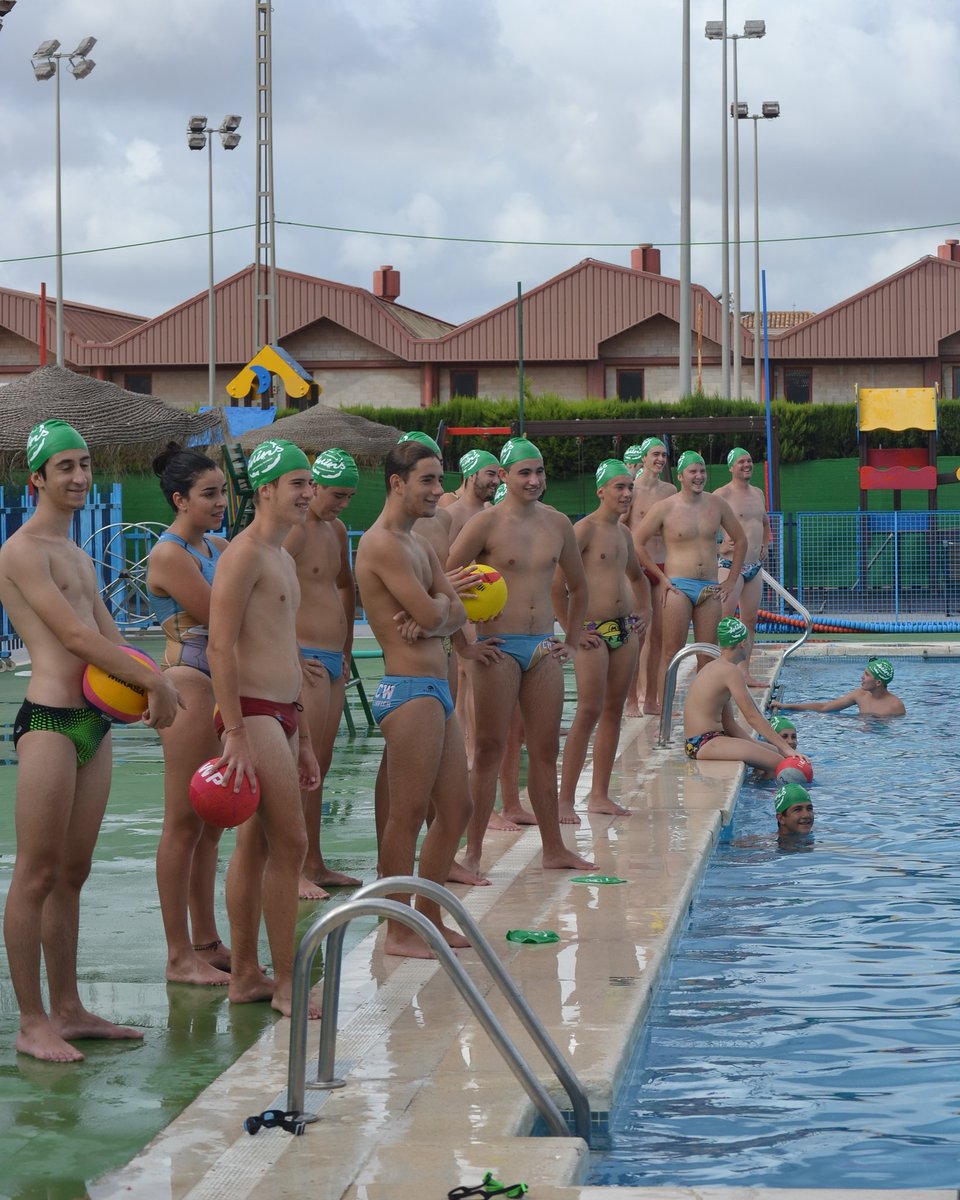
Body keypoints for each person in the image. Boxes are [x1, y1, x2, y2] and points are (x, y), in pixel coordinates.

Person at [0, 420, 181, 1062]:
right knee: (36, 873)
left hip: (94, 724)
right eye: (66, 468)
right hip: (50, 721)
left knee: (73, 874)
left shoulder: (79, 556)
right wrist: (158, 684)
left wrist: (154, 670)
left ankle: (69, 1008)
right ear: (38, 479)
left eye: (85, 466)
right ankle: (31, 1021)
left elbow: (111, 638)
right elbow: (76, 642)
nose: (79, 478)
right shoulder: (23, 551)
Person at [206, 438, 322, 1017]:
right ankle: (286, 984)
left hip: (280, 712)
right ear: (267, 490)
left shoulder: (283, 557)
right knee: (292, 842)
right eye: (297, 484)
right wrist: (233, 731)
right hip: (249, 712)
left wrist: (299, 735)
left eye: (310, 483)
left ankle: (247, 975)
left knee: (254, 847)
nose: (308, 493)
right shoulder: (243, 554)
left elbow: (286, 648)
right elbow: (220, 645)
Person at [447, 436, 595, 876]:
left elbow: (579, 585)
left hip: (542, 648)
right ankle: (472, 852)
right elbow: (444, 580)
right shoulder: (485, 525)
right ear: (505, 477)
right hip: (498, 648)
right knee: (490, 749)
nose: (533, 480)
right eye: (524, 472)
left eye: (539, 472)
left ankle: (554, 849)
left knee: (545, 750)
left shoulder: (558, 524)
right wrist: (464, 643)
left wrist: (570, 638)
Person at [354, 440, 475, 956]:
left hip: (435, 689)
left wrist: (438, 611)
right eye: (427, 480)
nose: (437, 490)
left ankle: (426, 918)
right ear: (397, 483)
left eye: (439, 479)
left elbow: (453, 613)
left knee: (457, 808)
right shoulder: (381, 544)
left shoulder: (420, 543)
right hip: (407, 691)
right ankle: (396, 928)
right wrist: (437, 612)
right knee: (405, 815)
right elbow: (434, 615)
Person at [146, 445, 232, 985]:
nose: (221, 502)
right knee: (182, 822)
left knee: (211, 824)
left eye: (223, 491)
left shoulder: (219, 545)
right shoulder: (170, 555)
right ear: (180, 499)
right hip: (189, 684)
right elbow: (221, 614)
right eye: (209, 494)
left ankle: (206, 939)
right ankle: (179, 955)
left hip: (219, 682)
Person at [283, 448, 363, 900]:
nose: (342, 505)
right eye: (337, 495)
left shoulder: (334, 530)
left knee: (320, 767)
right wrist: (290, 652)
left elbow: (344, 584)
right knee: (299, 767)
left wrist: (348, 645)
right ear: (313, 486)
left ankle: (314, 860)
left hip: (333, 658)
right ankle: (291, 867)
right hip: (306, 659)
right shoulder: (292, 533)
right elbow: (265, 593)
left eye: (349, 497)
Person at [556, 460, 648, 823]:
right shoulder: (584, 531)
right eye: (619, 488)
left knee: (613, 713)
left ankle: (599, 795)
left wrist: (647, 612)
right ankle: (565, 800)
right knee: (588, 711)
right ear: (601, 491)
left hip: (624, 630)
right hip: (592, 632)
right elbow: (555, 584)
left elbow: (639, 578)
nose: (626, 494)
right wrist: (572, 630)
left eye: (629, 488)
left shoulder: (624, 534)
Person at [631, 449, 747, 707]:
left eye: (702, 471)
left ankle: (703, 711)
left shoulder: (716, 504)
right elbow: (637, 542)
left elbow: (740, 540)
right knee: (672, 653)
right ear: (681, 476)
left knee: (707, 655)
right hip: (678, 587)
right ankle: (665, 713)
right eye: (693, 471)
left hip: (709, 588)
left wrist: (730, 580)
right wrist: (660, 576)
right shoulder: (665, 507)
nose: (699, 476)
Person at [682, 617, 803, 773]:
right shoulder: (731, 672)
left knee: (776, 754)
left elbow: (730, 725)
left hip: (699, 742)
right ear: (743, 643)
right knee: (782, 764)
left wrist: (756, 745)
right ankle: (768, 793)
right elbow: (752, 717)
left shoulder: (714, 668)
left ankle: (760, 783)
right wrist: (787, 749)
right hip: (705, 742)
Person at [622, 437, 676, 715]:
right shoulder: (631, 490)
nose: (660, 459)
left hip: (664, 565)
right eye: (655, 454)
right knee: (637, 636)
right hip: (638, 570)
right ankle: (632, 700)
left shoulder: (670, 490)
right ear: (643, 458)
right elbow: (618, 525)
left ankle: (653, 700)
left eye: (663, 455)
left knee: (659, 638)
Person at [713, 448, 772, 688]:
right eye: (741, 462)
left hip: (754, 567)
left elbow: (765, 522)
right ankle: (722, 672)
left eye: (749, 460)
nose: (747, 465)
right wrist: (719, 547)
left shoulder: (758, 493)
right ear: (731, 467)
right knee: (725, 620)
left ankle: (744, 673)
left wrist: (766, 544)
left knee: (749, 620)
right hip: (730, 566)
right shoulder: (721, 494)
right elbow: (703, 528)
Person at [771, 657, 906, 716]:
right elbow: (825, 707)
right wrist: (787, 706)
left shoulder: (895, 706)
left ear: (878, 683)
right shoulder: (860, 695)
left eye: (867, 675)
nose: (862, 677)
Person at [445, 449, 501, 542]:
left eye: (498, 476)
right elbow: (445, 555)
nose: (496, 481)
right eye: (491, 474)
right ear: (471, 476)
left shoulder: (492, 511)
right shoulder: (453, 515)